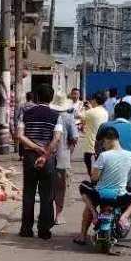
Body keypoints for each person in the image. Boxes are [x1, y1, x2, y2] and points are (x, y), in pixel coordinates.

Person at [75, 126, 131, 249]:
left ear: (109, 139)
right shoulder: (130, 156)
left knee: (84, 186)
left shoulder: (103, 156)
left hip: (100, 196)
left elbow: (94, 178)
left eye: (103, 142)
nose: (103, 145)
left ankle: (84, 232)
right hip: (120, 197)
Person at [17, 84, 63, 239]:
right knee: (47, 195)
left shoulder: (26, 113)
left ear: (36, 97)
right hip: (48, 158)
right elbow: (56, 138)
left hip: (30, 157)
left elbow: (20, 136)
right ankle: (44, 230)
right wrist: (44, 154)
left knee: (29, 193)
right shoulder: (56, 116)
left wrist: (36, 148)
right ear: (51, 98)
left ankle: (26, 229)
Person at [97, 101, 131, 186]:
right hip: (128, 175)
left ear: (115, 114)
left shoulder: (104, 126)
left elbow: (97, 147)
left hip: (107, 172)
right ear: (130, 115)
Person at [51, 92, 80, 225]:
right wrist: (70, 151)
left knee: (47, 187)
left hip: (46, 156)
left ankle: (47, 213)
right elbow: (74, 138)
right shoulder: (69, 118)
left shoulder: (49, 116)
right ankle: (58, 216)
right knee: (61, 188)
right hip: (63, 157)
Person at [81, 93, 109, 176]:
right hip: (101, 140)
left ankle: (92, 176)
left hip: (91, 141)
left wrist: (85, 108)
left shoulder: (90, 112)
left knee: (87, 159)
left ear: (94, 100)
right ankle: (98, 177)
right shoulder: (105, 112)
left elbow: (79, 116)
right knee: (99, 160)